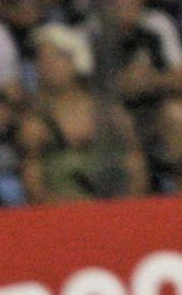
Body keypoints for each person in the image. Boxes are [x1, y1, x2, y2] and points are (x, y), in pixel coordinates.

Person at [86, 0, 182, 190]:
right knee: (119, 122)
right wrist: (121, 86)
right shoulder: (92, 32)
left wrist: (153, 80)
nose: (127, 13)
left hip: (154, 108)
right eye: (119, 6)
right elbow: (85, 90)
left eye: (133, 5)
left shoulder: (157, 25)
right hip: (109, 115)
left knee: (180, 114)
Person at [17, 23, 142, 204]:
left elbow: (135, 164)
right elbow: (33, 187)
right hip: (61, 218)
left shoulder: (111, 115)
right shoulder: (35, 125)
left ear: (77, 61)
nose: (45, 66)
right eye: (41, 59)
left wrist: (126, 208)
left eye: (54, 58)